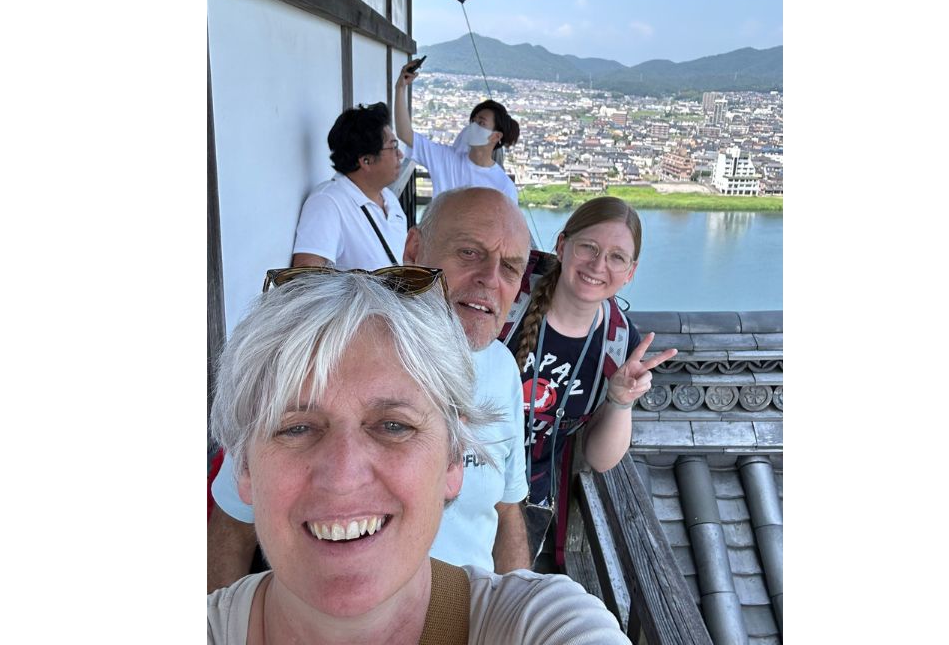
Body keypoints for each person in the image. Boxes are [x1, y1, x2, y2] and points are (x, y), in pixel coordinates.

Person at [207, 269, 630, 644]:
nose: (343, 476)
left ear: (453, 458)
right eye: (296, 428)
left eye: (394, 425)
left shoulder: (540, 624)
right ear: (243, 467)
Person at [209, 187, 534, 590]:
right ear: (413, 250)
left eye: (510, 268)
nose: (490, 279)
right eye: (469, 253)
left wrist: (518, 601)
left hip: (465, 612)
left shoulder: (503, 369)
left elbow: (506, 509)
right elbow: (234, 523)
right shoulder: (329, 352)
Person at [498, 197, 678, 562]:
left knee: (503, 595)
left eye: (616, 257)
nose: (598, 265)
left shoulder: (619, 343)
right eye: (589, 248)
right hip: (460, 476)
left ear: (630, 272)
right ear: (562, 245)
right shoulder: (508, 295)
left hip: (527, 502)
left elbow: (600, 458)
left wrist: (621, 401)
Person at [291, 101, 408, 268]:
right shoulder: (328, 203)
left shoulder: (388, 198)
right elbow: (307, 277)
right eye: (393, 146)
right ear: (366, 160)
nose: (400, 154)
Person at [394, 61, 519, 202]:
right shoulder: (446, 159)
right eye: (473, 121)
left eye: (481, 123)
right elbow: (404, 134)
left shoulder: (503, 186)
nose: (473, 126)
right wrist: (400, 87)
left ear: (496, 136)